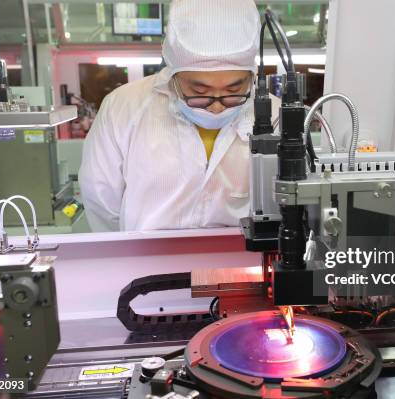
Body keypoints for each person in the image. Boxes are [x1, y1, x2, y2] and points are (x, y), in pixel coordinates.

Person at [79, 0, 278, 231]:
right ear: (173, 74)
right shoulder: (124, 107)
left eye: (233, 91)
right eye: (199, 92)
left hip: (241, 262)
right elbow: (101, 199)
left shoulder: (275, 116)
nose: (216, 107)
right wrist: (128, 260)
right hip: (146, 261)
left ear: (253, 76)